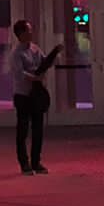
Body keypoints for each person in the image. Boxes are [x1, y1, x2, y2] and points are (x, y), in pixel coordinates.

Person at [6, 19, 62, 176]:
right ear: (21, 34)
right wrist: (34, 77)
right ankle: (24, 163)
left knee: (38, 129)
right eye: (28, 30)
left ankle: (36, 162)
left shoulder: (35, 49)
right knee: (23, 130)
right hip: (23, 95)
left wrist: (53, 56)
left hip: (36, 94)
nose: (31, 33)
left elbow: (44, 62)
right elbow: (19, 73)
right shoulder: (16, 53)